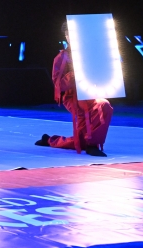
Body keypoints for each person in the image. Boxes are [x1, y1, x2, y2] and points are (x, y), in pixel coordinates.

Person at [34, 21, 113, 157]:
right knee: (100, 107)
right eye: (69, 34)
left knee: (83, 137)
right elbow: (58, 85)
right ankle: (91, 145)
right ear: (66, 36)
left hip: (91, 93)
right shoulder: (61, 58)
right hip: (73, 97)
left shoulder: (91, 54)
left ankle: (51, 140)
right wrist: (74, 74)